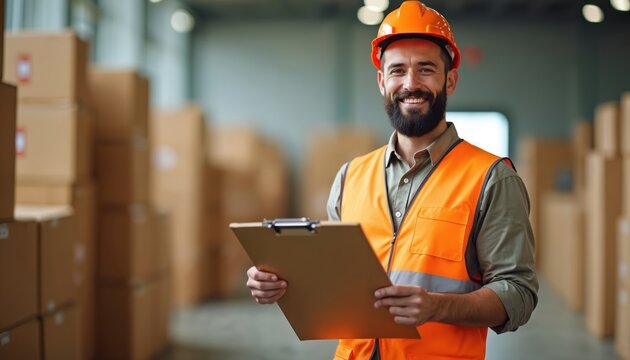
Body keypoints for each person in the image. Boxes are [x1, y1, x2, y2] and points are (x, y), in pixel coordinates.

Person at [246, 1, 538, 359]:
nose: (410, 84)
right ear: (382, 81)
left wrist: (437, 307)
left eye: (425, 69)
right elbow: (336, 282)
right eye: (397, 70)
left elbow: (519, 293)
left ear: (450, 80)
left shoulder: (492, 178)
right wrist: (281, 282)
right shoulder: (351, 176)